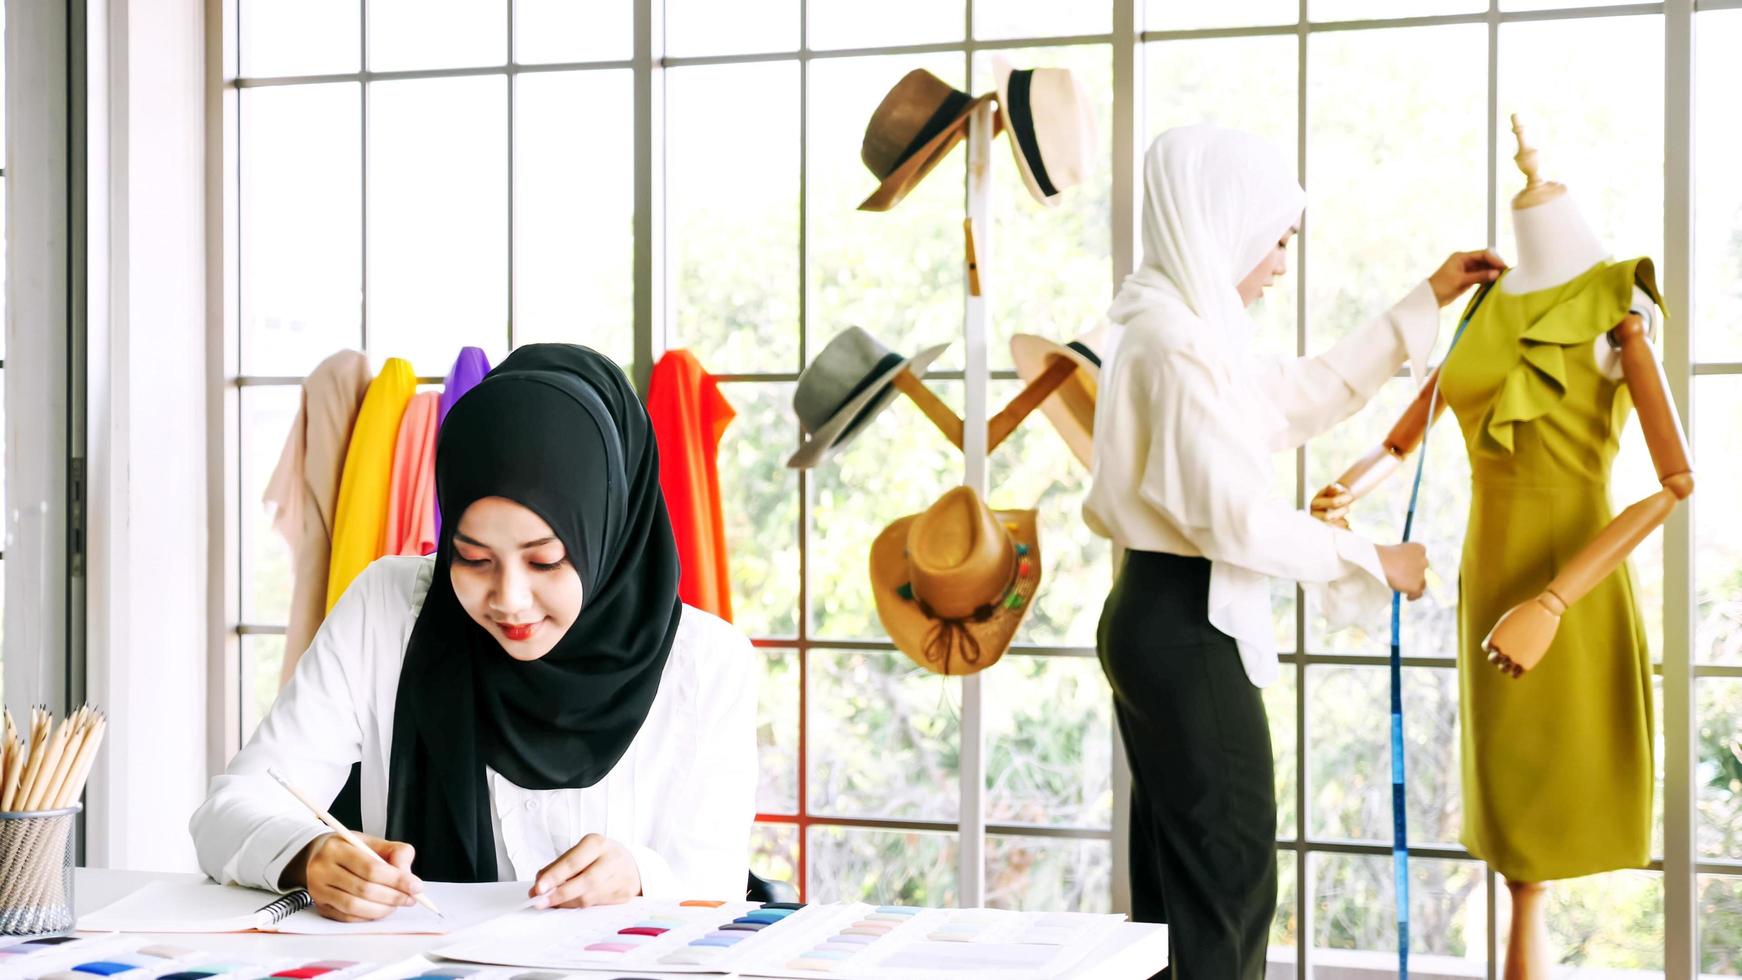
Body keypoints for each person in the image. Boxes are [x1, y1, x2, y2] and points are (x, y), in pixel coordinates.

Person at [1084, 125, 1505, 978]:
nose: (1281, 263)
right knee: (1227, 882)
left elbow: (1297, 395)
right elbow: (1234, 516)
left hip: (1163, 617)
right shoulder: (1172, 342)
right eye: (1274, 239)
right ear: (1221, 222)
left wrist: (1423, 300)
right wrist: (1372, 561)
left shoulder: (1182, 329)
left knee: (1184, 890)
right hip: (1184, 623)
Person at [191, 344, 757, 921]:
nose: (509, 599)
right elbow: (229, 810)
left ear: (609, 534)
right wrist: (307, 854)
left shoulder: (707, 663)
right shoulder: (388, 609)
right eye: (473, 558)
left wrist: (642, 875)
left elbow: (719, 886)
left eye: (545, 561)